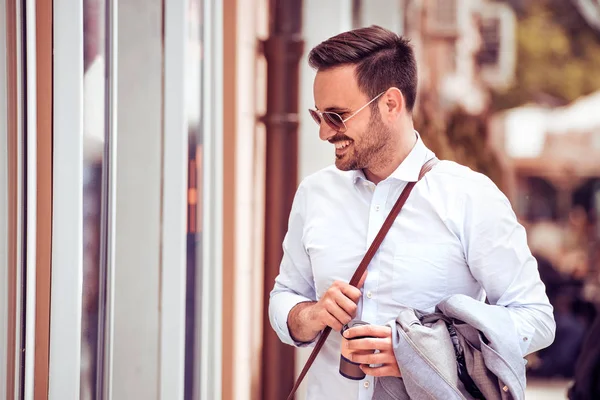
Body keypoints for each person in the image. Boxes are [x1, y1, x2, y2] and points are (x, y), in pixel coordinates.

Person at [268, 25, 555, 400]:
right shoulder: (314, 194)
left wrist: (425, 349)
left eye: (336, 116)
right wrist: (311, 315)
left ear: (390, 104)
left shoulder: (470, 197)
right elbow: (285, 294)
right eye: (317, 115)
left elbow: (536, 319)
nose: (323, 133)